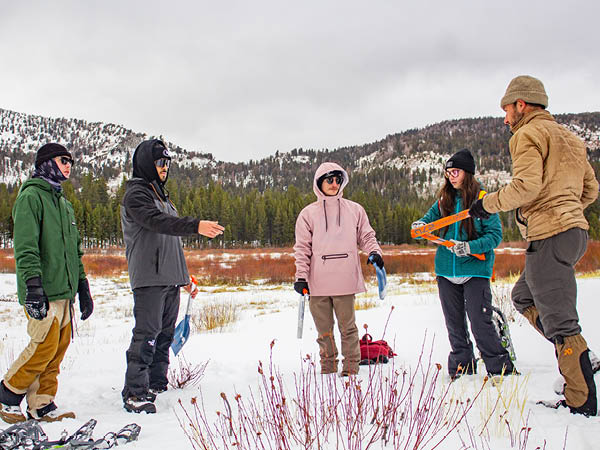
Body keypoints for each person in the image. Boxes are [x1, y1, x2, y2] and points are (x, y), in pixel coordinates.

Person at [469, 75, 599, 416]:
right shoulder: (569, 137)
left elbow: (526, 187)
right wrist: (566, 209)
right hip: (574, 234)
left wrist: (486, 204)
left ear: (521, 104)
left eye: (507, 109)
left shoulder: (528, 134)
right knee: (523, 297)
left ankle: (580, 398)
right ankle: (574, 352)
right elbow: (590, 190)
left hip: (551, 235)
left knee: (562, 322)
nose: (505, 117)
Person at [120, 139, 224, 414]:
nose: (164, 168)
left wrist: (184, 277)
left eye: (167, 163)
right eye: (159, 162)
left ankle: (156, 383)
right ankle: (135, 391)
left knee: (165, 335)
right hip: (148, 277)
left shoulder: (164, 198)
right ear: (146, 164)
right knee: (147, 335)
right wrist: (195, 225)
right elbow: (158, 223)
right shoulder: (137, 195)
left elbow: (170, 242)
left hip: (169, 277)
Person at [0, 143, 93, 424]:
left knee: (58, 348)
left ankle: (41, 402)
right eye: (63, 160)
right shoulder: (31, 197)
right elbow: (26, 247)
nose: (68, 166)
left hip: (64, 291)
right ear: (46, 163)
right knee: (42, 346)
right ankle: (8, 393)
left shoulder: (63, 203)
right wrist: (33, 286)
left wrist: (82, 287)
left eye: (71, 162)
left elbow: (73, 251)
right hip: (43, 289)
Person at [413, 149, 515, 380]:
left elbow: (494, 236)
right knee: (454, 323)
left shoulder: (483, 201)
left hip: (475, 271)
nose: (451, 176)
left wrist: (470, 247)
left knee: (480, 321)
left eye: (455, 171)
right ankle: (463, 367)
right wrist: (420, 225)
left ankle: (499, 368)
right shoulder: (443, 201)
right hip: (446, 271)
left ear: (468, 173)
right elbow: (427, 222)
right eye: (448, 172)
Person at [293, 162, 384, 377]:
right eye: (329, 180)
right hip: (318, 283)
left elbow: (367, 236)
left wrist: (375, 252)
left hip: (345, 279)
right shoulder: (308, 214)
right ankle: (328, 369)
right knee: (324, 332)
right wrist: (301, 277)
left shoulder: (355, 210)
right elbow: (302, 249)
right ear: (319, 183)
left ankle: (351, 369)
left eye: (337, 180)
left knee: (348, 328)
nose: (334, 184)